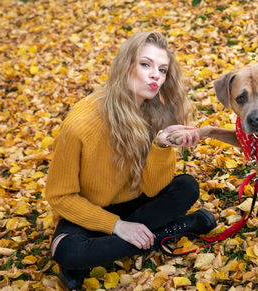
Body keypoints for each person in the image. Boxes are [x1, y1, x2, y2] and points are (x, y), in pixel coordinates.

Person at [45, 30, 215, 290]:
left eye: (162, 69)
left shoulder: (155, 110)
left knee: (186, 187)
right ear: (125, 65)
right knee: (67, 251)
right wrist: (116, 225)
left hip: (137, 203)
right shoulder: (81, 123)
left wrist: (160, 146)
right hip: (90, 211)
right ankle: (171, 230)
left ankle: (106, 250)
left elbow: (153, 189)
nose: (155, 74)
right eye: (145, 64)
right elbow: (60, 197)